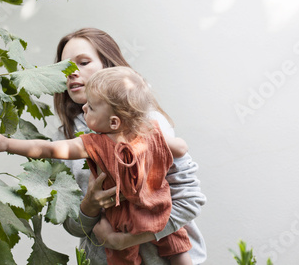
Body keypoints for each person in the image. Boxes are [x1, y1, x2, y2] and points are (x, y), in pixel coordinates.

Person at [0, 66, 193, 264]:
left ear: (113, 123)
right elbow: (181, 148)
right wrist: (166, 144)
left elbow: (48, 148)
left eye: (90, 107)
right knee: (178, 246)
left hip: (121, 220)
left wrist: (7, 144)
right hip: (158, 208)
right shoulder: (151, 134)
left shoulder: (95, 144)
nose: (83, 107)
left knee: (123, 259)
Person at [51, 28, 206, 265]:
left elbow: (190, 200)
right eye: (64, 68)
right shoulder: (63, 140)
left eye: (83, 62)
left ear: (108, 65)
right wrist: (89, 207)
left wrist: (125, 241)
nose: (72, 72)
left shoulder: (149, 123)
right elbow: (72, 227)